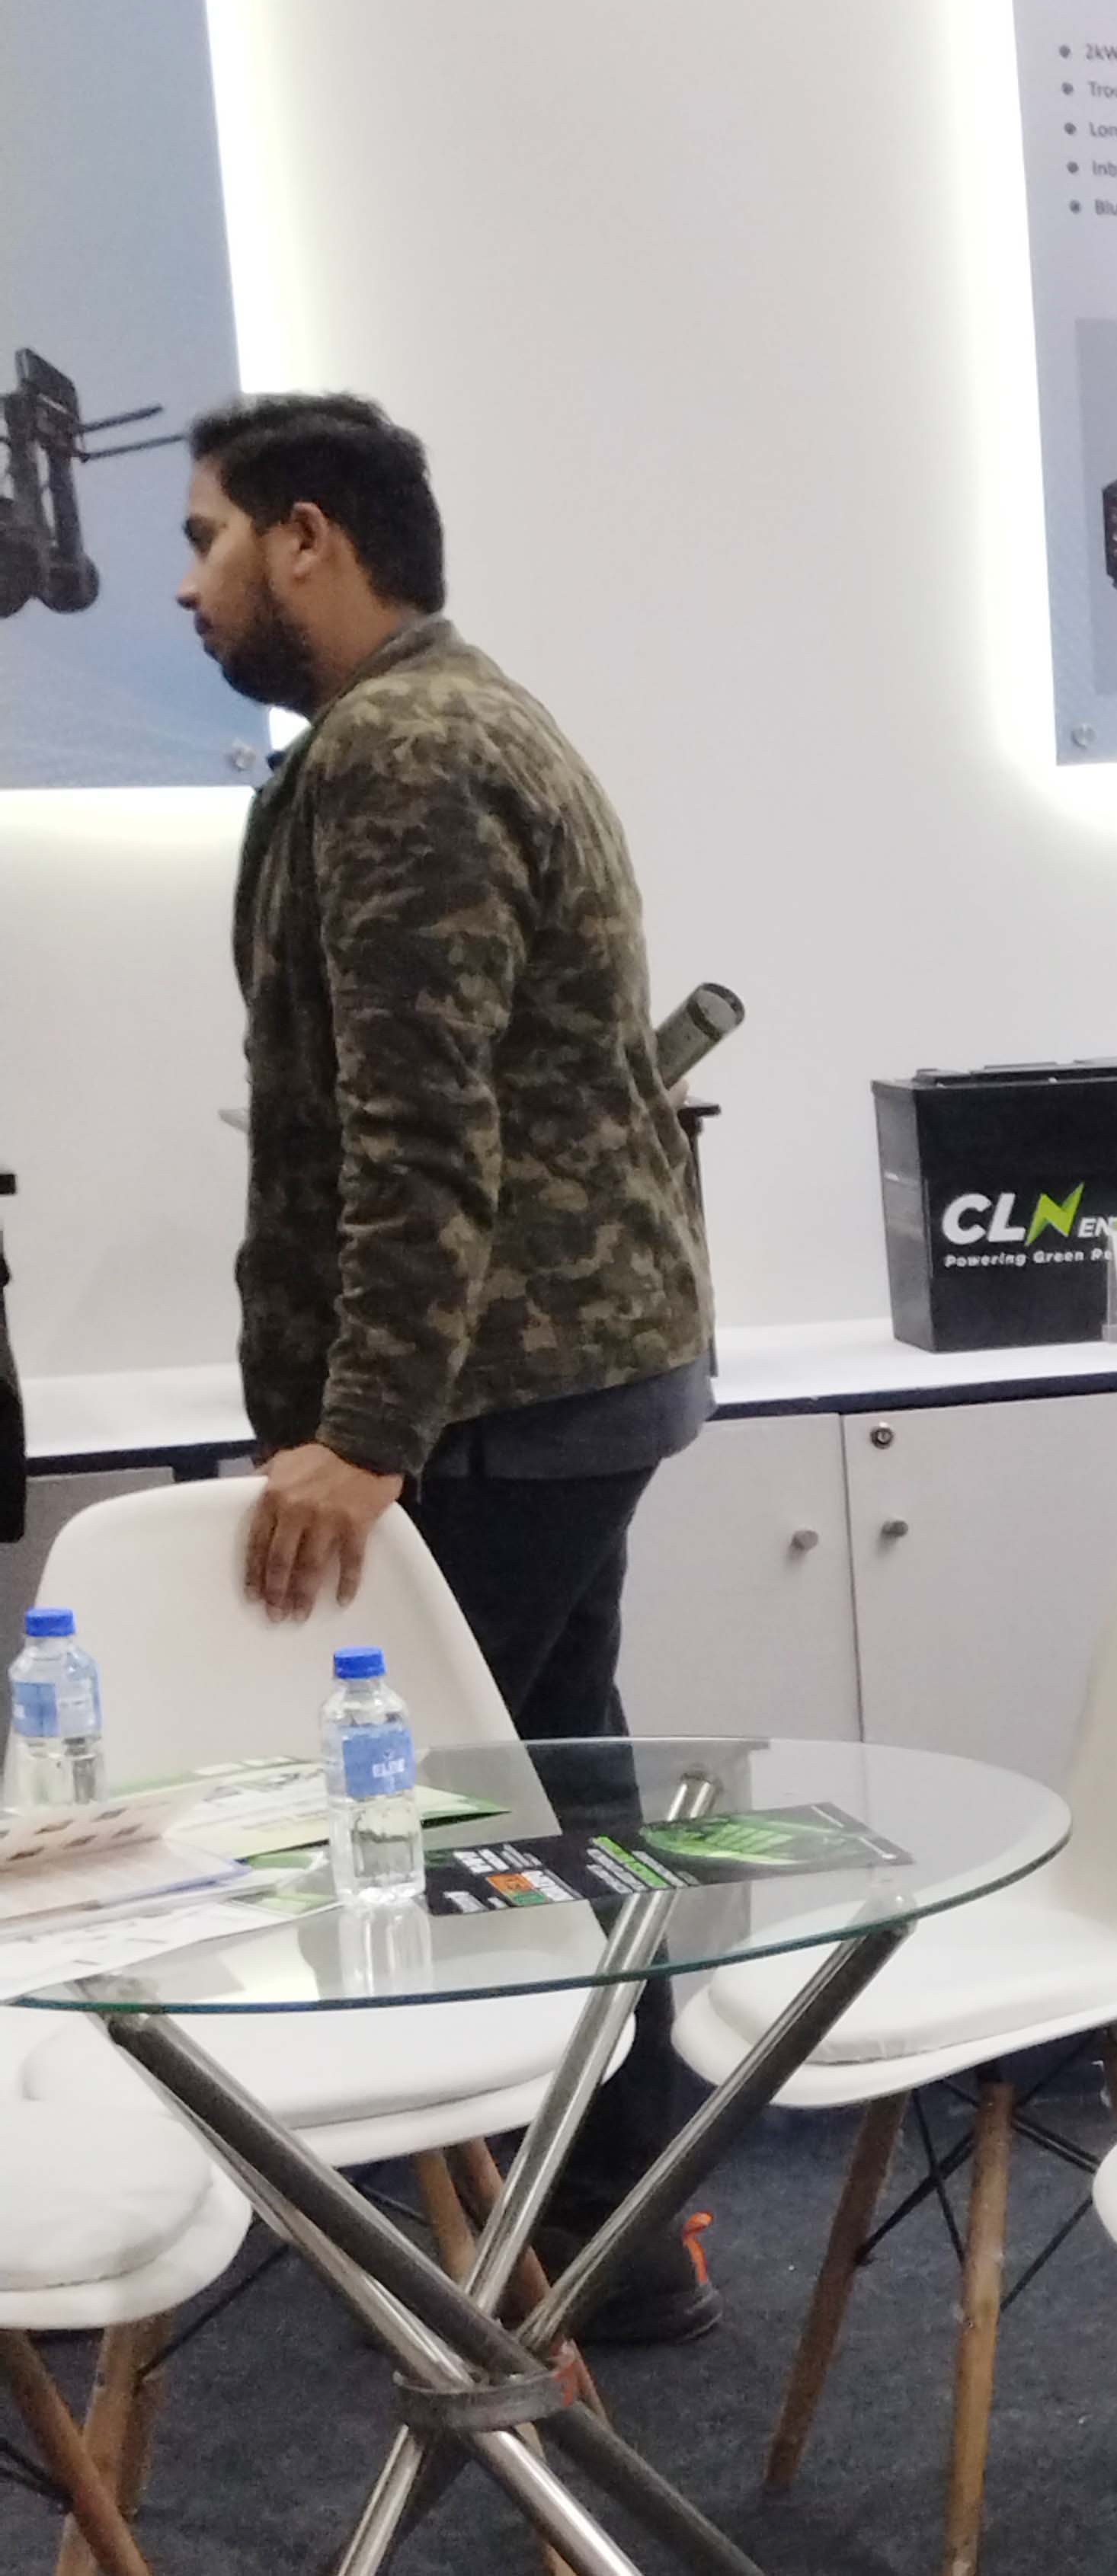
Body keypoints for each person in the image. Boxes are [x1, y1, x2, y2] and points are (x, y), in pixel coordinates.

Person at [178, 394, 723, 2344]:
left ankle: (505, 2245)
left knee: (431, 1828)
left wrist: (363, 1434)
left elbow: (422, 1125)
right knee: (552, 1808)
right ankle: (612, 2233)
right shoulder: (435, 721)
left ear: (307, 536)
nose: (187, 583)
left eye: (207, 537)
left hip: (505, 1397)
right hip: (564, 1372)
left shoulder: (406, 753)